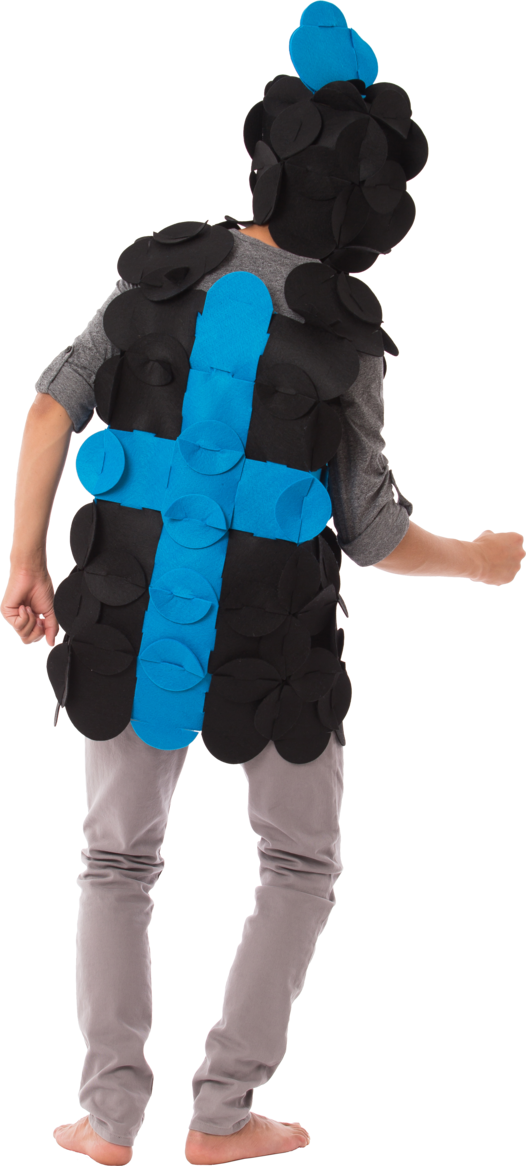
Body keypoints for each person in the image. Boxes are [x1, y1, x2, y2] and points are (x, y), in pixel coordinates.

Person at [2, 6, 526, 1166]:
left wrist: (24, 558)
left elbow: (49, 406)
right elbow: (375, 532)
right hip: (273, 637)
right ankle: (223, 1111)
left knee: (115, 857)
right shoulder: (345, 335)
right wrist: (477, 557)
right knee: (297, 861)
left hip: (128, 614)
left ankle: (110, 1117)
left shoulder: (157, 275)